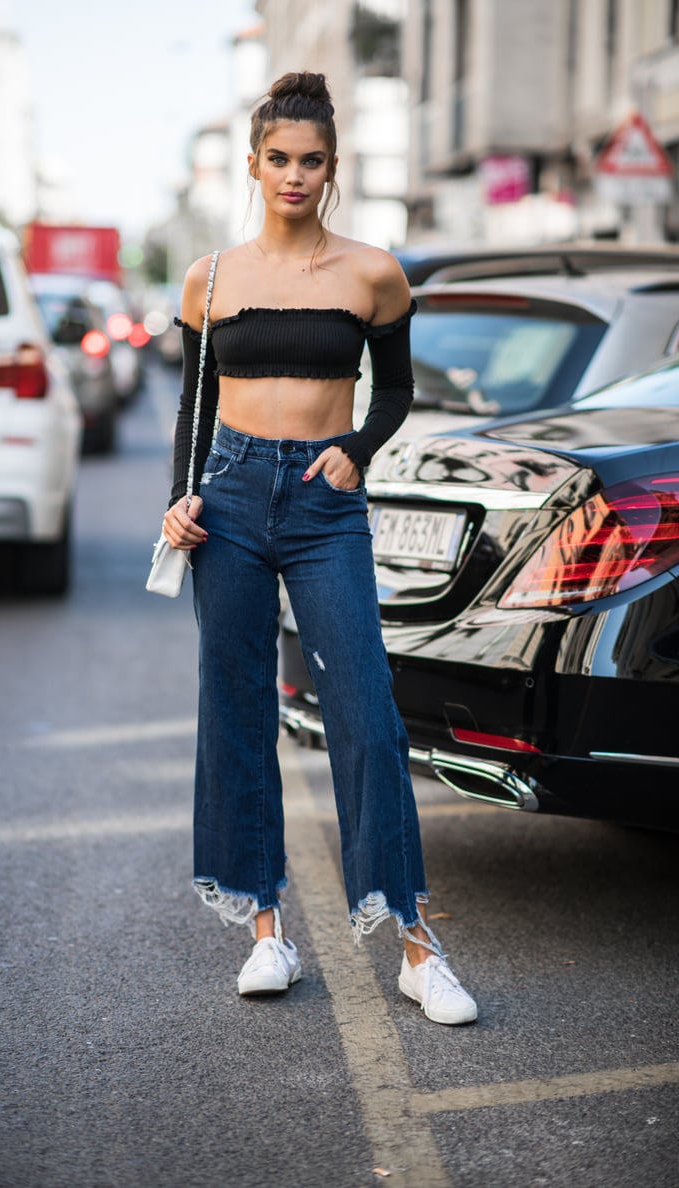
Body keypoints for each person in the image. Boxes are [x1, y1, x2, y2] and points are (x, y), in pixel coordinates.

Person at [163, 71, 477, 1025]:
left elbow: (396, 392)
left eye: (310, 161)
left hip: (322, 503)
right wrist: (177, 499)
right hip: (228, 497)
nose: (292, 175)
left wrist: (356, 451)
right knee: (237, 703)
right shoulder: (210, 278)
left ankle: (418, 945)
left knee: (366, 709)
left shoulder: (372, 272)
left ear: (331, 169)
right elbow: (193, 402)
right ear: (255, 166)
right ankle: (266, 929)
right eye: (278, 160)